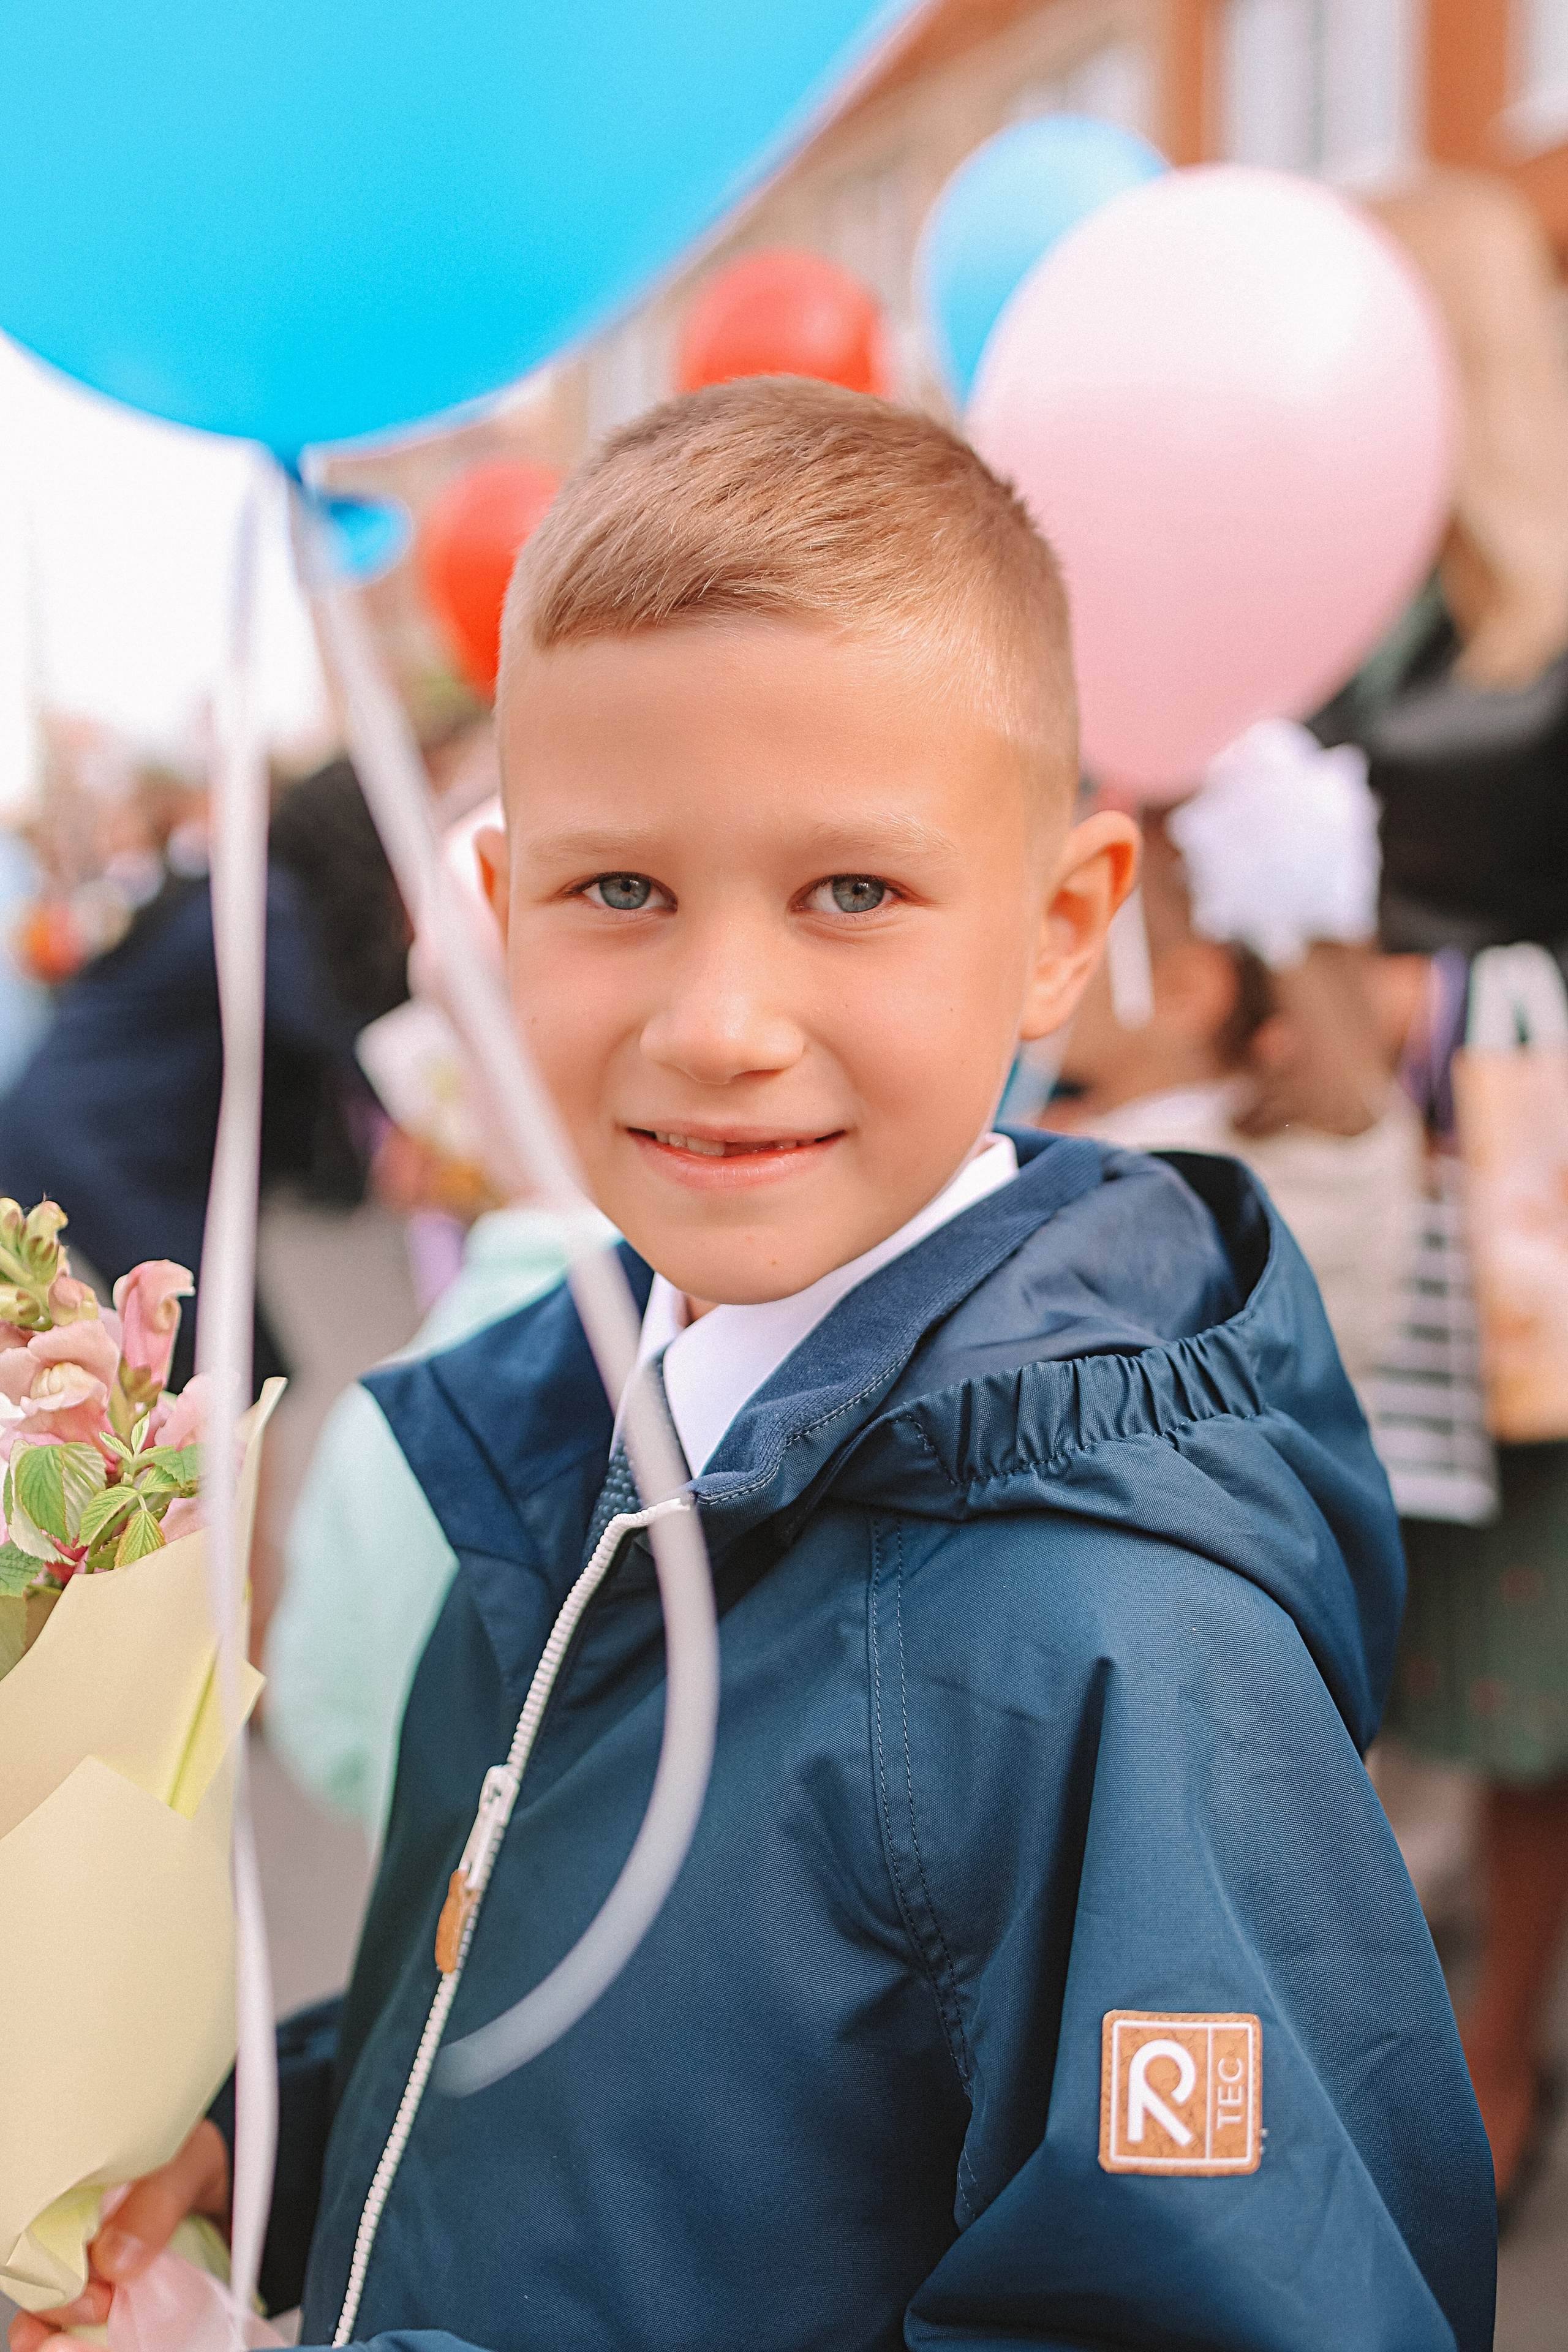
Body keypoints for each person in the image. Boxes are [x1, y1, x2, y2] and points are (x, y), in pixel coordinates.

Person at [15, 382, 1494, 2352]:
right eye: (619, 890)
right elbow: (545, 2020)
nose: (720, 1021)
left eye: (850, 894)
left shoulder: (1113, 1644)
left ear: (1060, 929)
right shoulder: (573, 1435)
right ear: (496, 917)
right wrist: (248, 2129)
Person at [1042, 720, 1422, 1411]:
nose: (1032, 951)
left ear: (1184, 993)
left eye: (1070, 921)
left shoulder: (1122, 1203)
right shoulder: (1357, 1130)